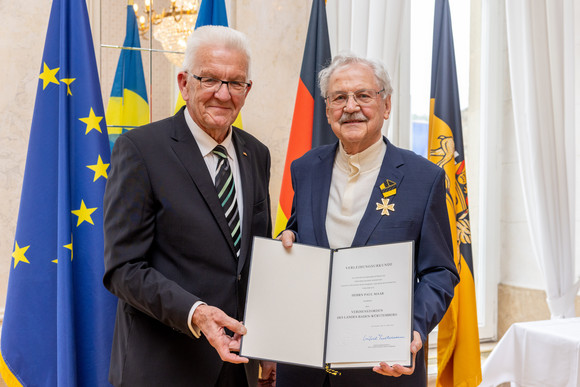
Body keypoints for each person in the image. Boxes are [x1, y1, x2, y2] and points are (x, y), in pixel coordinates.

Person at [103, 25, 274, 387]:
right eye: (209, 79)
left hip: (237, 367)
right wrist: (196, 314)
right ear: (184, 82)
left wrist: (269, 345)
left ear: (248, 90)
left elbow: (255, 262)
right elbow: (123, 268)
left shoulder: (256, 154)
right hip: (164, 368)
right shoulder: (140, 150)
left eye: (236, 83)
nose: (223, 95)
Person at [276, 53, 460, 387]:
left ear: (386, 106)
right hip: (303, 368)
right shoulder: (304, 168)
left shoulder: (424, 178)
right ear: (328, 109)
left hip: (383, 370)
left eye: (363, 95)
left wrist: (413, 328)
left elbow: (439, 272)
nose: (350, 107)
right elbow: (301, 232)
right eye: (339, 98)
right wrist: (286, 244)